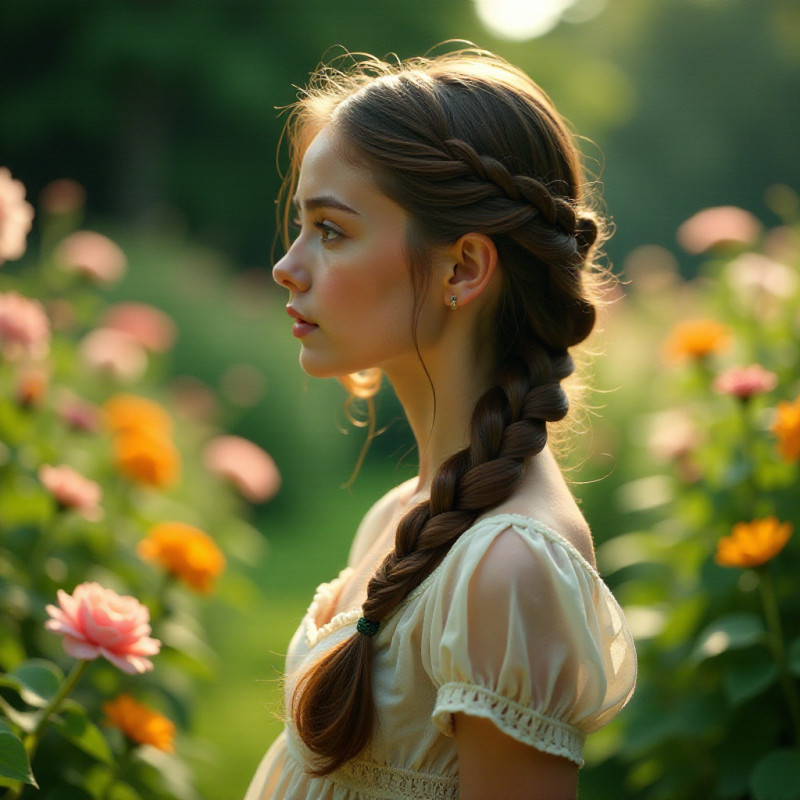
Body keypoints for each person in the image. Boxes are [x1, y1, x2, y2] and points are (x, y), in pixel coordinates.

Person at [245, 45, 636, 800]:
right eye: (301, 226)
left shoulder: (513, 569)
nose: (286, 266)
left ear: (463, 268)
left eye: (331, 231)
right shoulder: (404, 516)